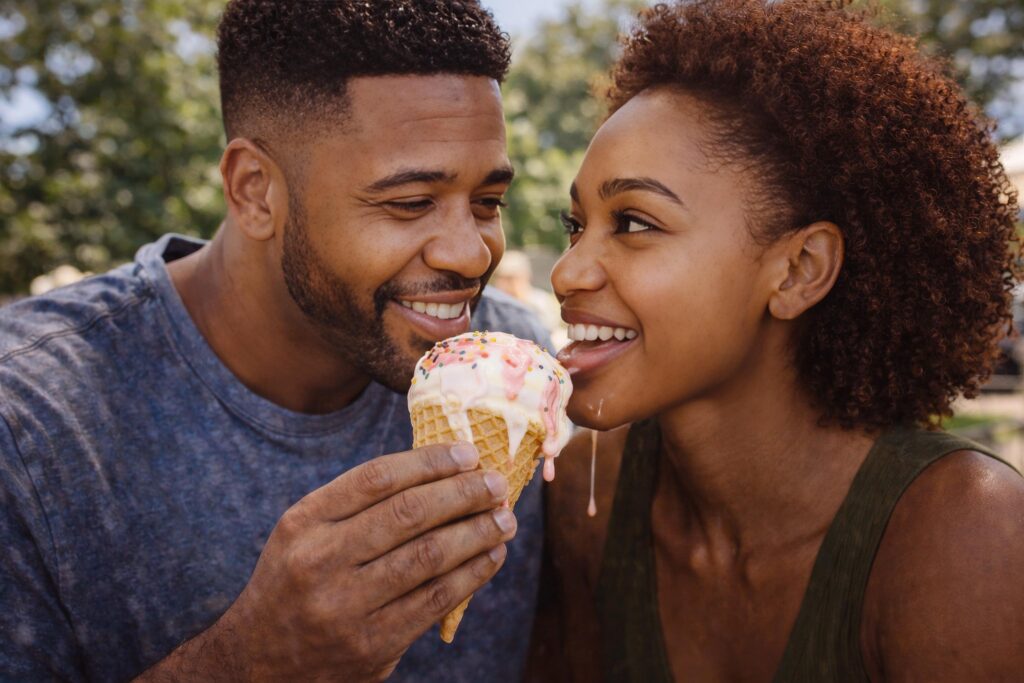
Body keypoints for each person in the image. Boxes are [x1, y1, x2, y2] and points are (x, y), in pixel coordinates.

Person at [0, 2, 553, 681]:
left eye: (488, 202)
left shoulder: (518, 371)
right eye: (410, 203)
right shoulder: (27, 423)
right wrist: (247, 659)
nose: (471, 253)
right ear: (255, 190)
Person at [532, 0, 1024, 680]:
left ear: (799, 270)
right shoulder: (590, 494)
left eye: (635, 223)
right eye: (574, 223)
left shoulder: (968, 534)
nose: (567, 271)